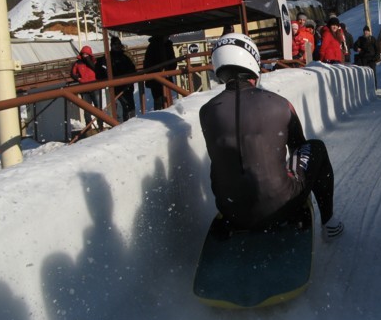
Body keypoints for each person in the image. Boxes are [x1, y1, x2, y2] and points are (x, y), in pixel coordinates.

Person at [199, 33, 344, 241]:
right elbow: (299, 147)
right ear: (253, 63)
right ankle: (329, 223)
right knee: (316, 147)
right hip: (281, 207)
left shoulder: (206, 112)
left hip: (232, 212)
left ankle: (240, 209)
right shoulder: (280, 104)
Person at [70, 45, 102, 130]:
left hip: (95, 86)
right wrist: (78, 78)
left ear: (90, 54)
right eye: (83, 54)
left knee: (98, 108)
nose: (85, 56)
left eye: (86, 54)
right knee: (87, 110)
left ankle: (100, 126)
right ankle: (89, 128)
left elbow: (98, 70)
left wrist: (88, 61)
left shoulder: (94, 61)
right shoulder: (77, 63)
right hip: (84, 88)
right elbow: (72, 73)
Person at [143, 35, 178, 110]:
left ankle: (166, 113)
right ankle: (160, 114)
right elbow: (147, 64)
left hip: (165, 76)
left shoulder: (168, 45)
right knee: (159, 100)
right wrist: (159, 71)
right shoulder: (153, 47)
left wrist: (169, 69)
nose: (167, 37)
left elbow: (173, 60)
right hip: (156, 79)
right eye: (166, 36)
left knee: (167, 98)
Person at [108, 37, 137, 121]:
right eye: (115, 44)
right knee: (119, 107)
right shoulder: (109, 57)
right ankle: (120, 126)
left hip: (127, 84)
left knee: (130, 104)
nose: (117, 46)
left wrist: (130, 76)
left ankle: (132, 122)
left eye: (118, 44)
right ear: (112, 45)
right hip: (116, 85)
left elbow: (133, 67)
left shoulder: (126, 55)